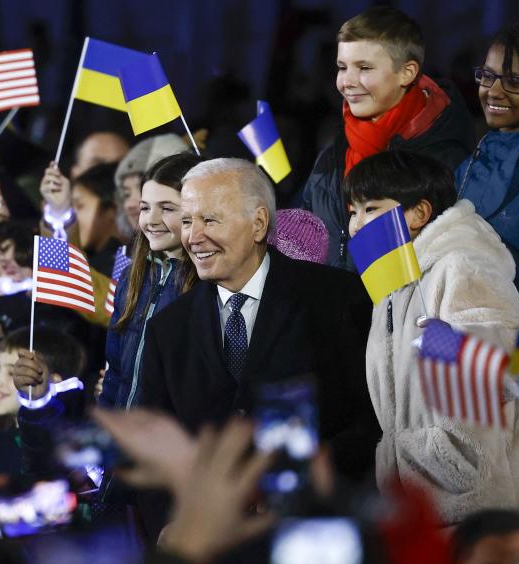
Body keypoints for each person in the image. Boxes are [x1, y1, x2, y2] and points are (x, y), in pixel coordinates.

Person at [140, 158, 378, 484]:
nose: (192, 237)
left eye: (209, 220)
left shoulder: (336, 297)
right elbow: (155, 450)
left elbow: (369, 421)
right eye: (186, 221)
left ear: (258, 223)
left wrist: (306, 484)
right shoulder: (167, 330)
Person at [345, 150, 519, 524]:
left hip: (491, 513)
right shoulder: (392, 286)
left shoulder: (460, 265)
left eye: (371, 209)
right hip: (429, 504)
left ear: (419, 213)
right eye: (352, 211)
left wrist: (453, 346)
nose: (357, 225)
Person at [302, 6, 474, 270]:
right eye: (342, 67)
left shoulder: (448, 160)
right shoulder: (331, 156)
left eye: (364, 68)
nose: (346, 81)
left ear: (407, 73)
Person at [455, 22, 519, 338]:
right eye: (487, 75)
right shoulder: (469, 166)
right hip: (471, 352)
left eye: (513, 81)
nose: (493, 91)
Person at [100, 153, 200, 409]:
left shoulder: (207, 284)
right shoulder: (131, 276)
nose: (151, 220)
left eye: (167, 209)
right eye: (145, 207)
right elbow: (115, 374)